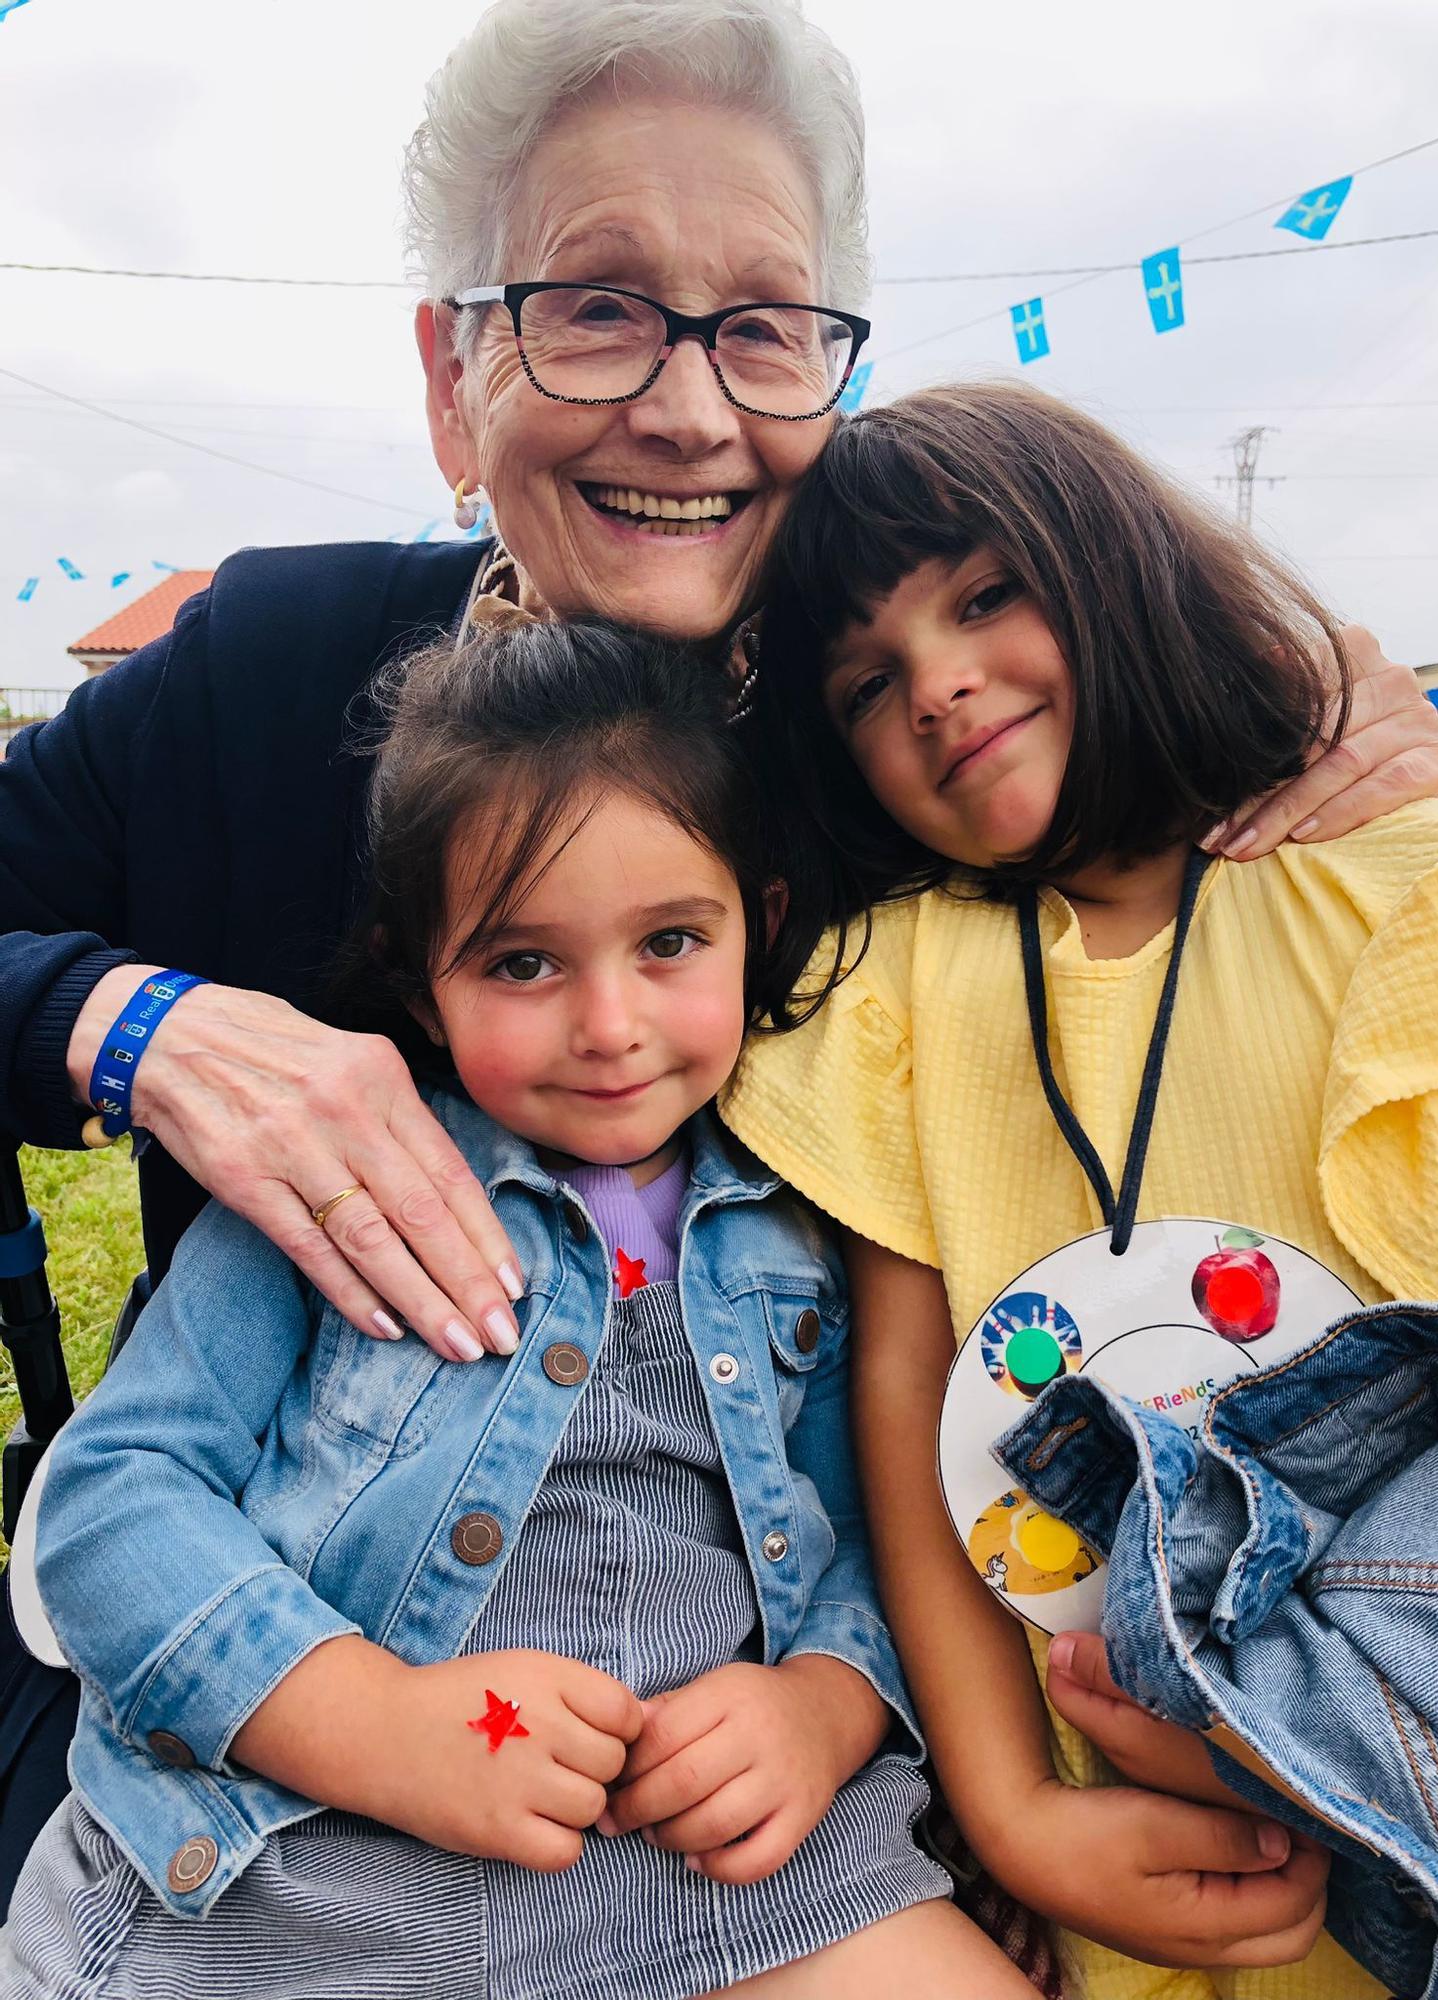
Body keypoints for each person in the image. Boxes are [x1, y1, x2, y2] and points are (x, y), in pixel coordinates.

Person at [0, 0, 1438, 1923]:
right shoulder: (267, 677)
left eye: (765, 326)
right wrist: (131, 1024)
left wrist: (1290, 690)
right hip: (284, 1789)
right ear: (455, 380)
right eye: (596, 305)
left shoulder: (913, 773)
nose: (690, 407)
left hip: (771, 1800)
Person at [2, 619, 1042, 2000]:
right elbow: (112, 1501)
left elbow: (869, 1532)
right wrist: (372, 1724)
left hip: (725, 1874)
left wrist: (827, 1706)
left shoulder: (813, 1215)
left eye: (671, 941)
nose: (609, 1023)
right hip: (310, 1867)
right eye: (522, 964)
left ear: (762, 923)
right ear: (420, 982)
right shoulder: (339, 1194)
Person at [719, 380, 1438, 2000]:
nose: (938, 683)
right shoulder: (890, 990)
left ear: (1116, 558)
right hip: (1121, 1840)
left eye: (987, 593)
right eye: (869, 681)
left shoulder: (1423, 884)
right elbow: (908, 1384)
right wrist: (1008, 1813)